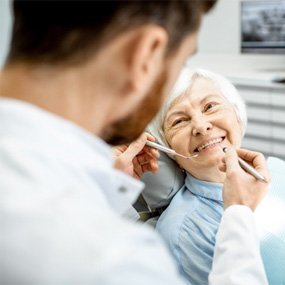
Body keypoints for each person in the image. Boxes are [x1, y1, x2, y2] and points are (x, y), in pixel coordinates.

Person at [0, 1, 270, 284]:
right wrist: (238, 215)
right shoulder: (117, 261)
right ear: (146, 53)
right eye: (182, 61)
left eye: (211, 106)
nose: (201, 125)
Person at [146, 68, 277, 284]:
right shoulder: (185, 232)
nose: (201, 126)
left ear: (236, 114)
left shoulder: (275, 172)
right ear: (168, 150)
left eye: (210, 107)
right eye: (179, 121)